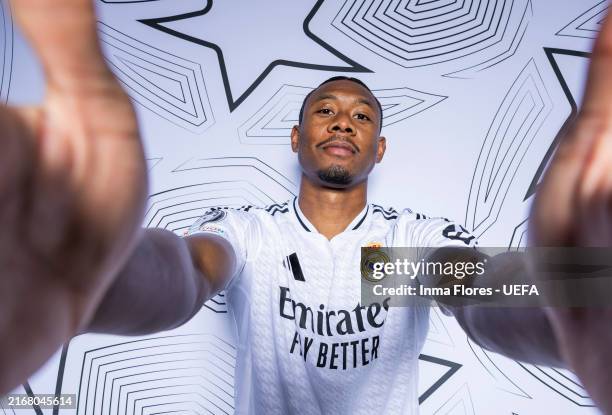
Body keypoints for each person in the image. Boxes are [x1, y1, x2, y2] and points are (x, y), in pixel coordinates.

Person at [1, 0, 612, 414]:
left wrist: (570, 300)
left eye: (362, 116)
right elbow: (186, 274)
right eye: (325, 110)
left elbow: (473, 287)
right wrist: (98, 272)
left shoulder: (396, 252)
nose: (343, 122)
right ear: (297, 137)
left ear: (379, 147)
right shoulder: (252, 236)